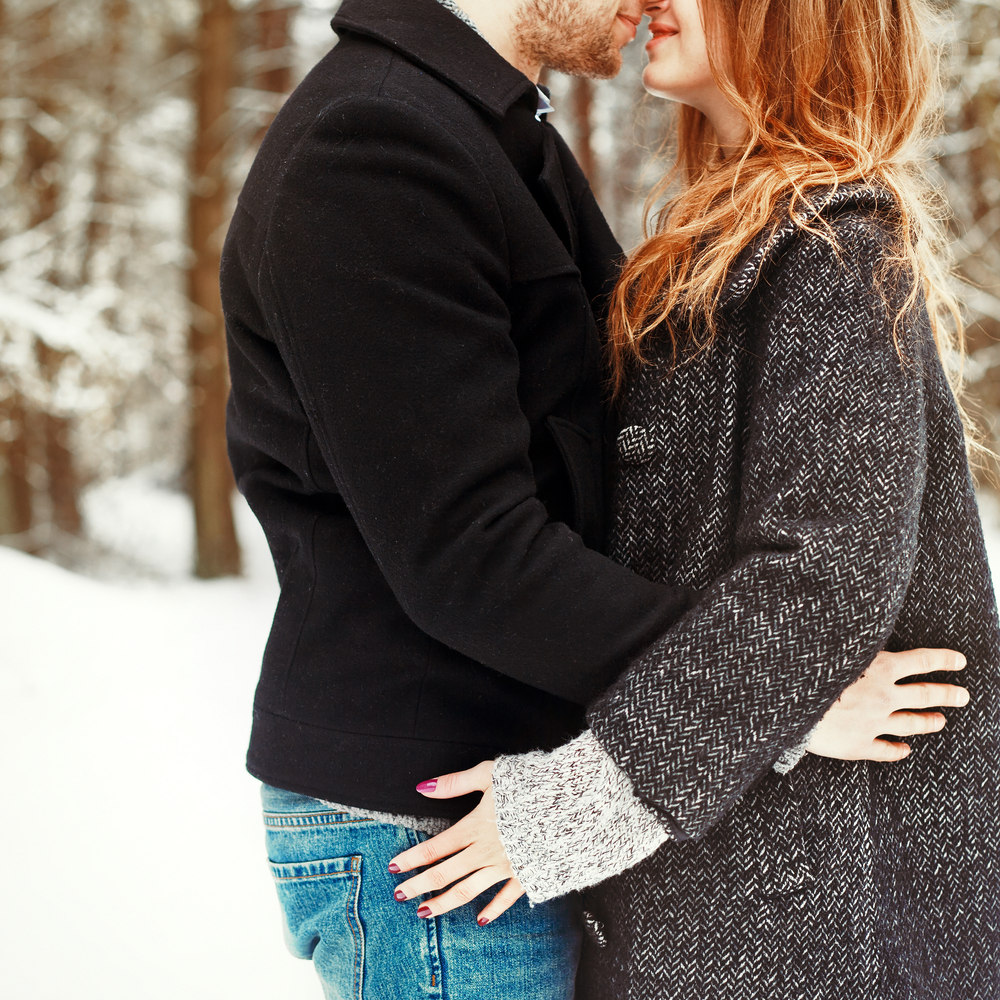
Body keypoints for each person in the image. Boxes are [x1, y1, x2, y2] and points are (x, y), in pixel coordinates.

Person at [221, 0, 975, 996]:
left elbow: (808, 570)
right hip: (432, 812)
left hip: (528, 817)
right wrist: (778, 699)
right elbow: (472, 550)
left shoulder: (515, 140)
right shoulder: (384, 140)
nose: (651, 0)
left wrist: (738, 706)